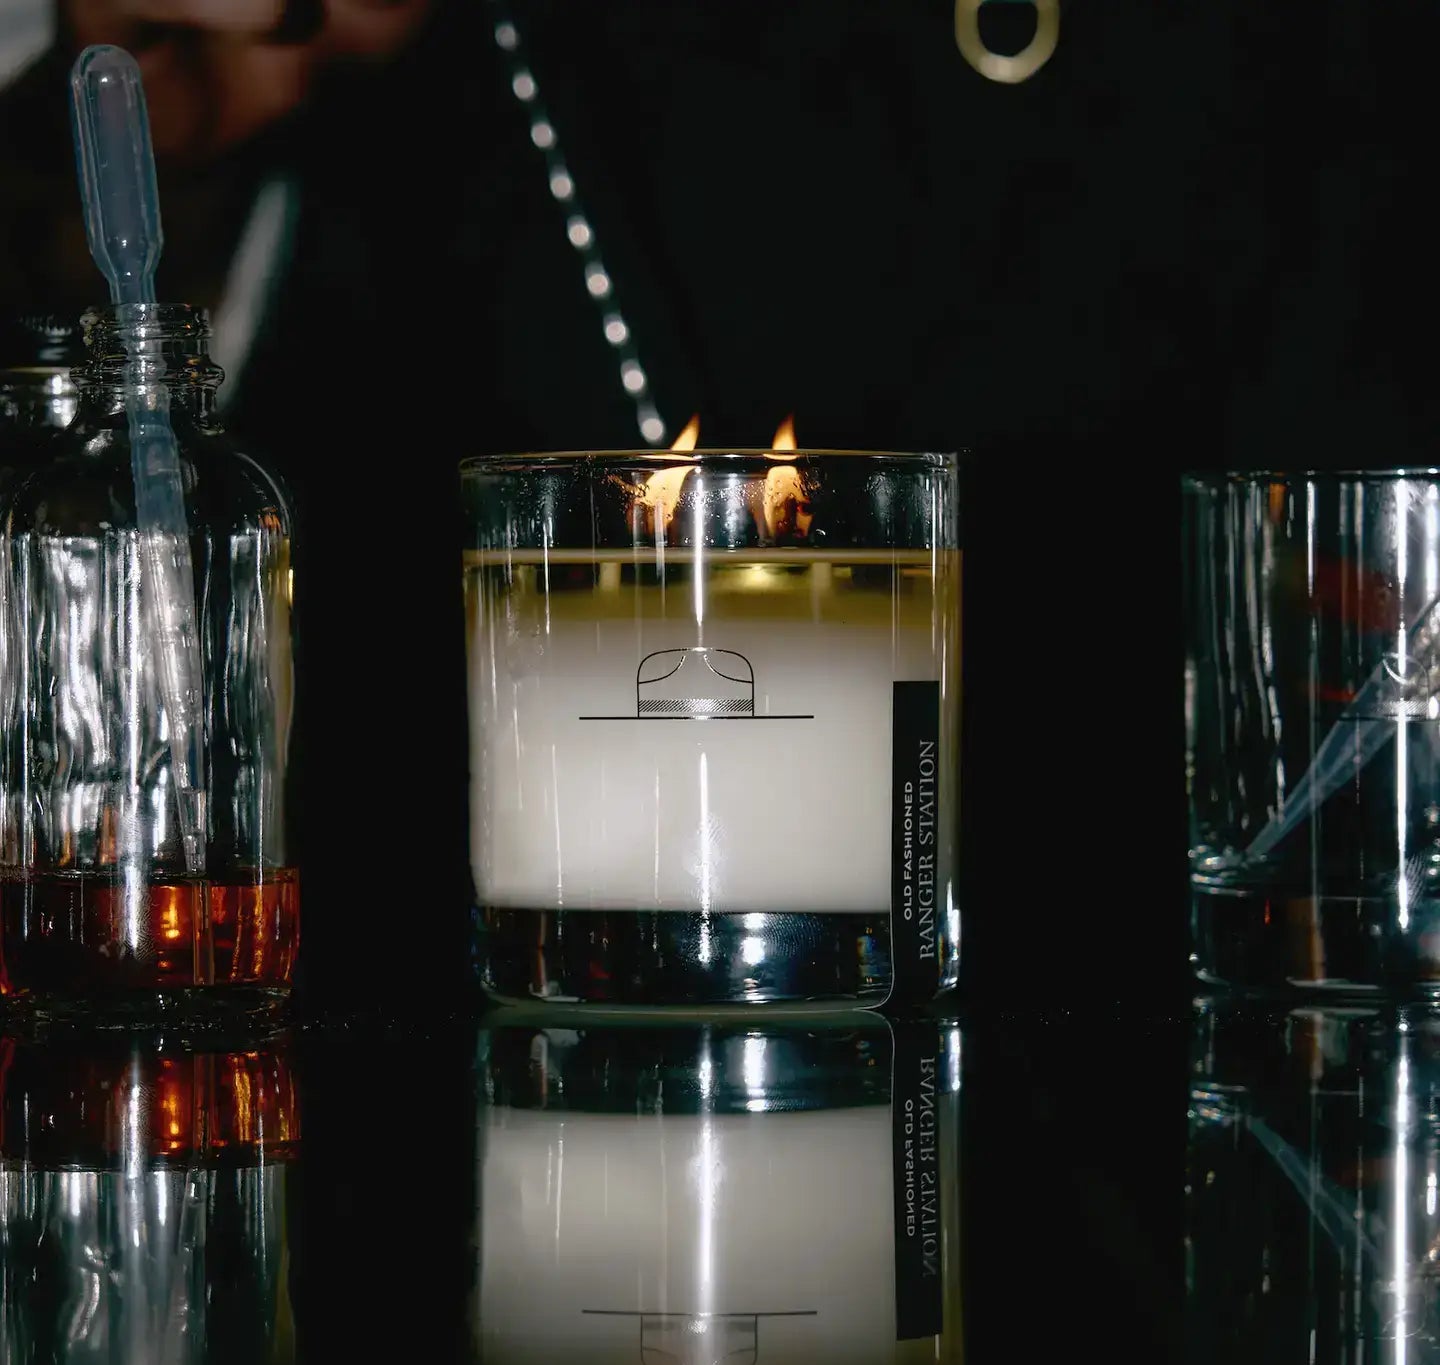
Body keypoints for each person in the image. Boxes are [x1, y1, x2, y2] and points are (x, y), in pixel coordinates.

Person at [4, 0, 1440, 1010]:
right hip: (454, 1075)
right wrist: (178, 152)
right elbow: (134, 377)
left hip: (1184, 1062)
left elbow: (1369, 574)